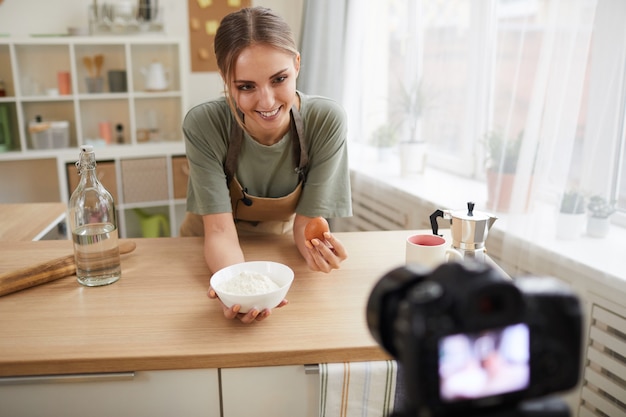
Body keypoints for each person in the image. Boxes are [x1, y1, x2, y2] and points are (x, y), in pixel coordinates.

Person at [180, 7, 352, 323]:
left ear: (297, 64)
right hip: (209, 247)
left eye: (279, 79)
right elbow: (218, 230)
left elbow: (306, 223)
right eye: (246, 86)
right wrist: (237, 289)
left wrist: (317, 252)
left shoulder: (326, 121)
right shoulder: (204, 124)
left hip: (280, 247)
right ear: (225, 80)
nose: (267, 102)